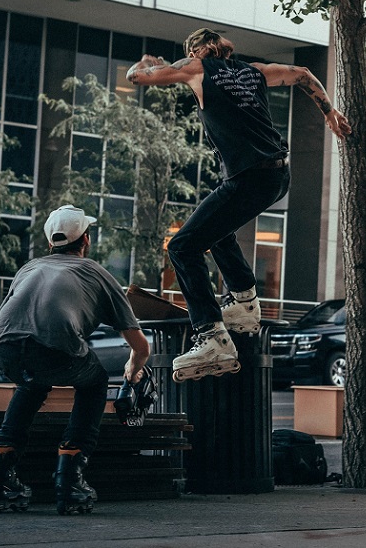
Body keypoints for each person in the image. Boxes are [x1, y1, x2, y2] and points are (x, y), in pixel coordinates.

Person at [126, 28, 350, 382]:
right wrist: (329, 112)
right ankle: (244, 303)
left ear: (198, 50)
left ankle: (211, 336)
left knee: (184, 246)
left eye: (192, 52)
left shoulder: (195, 67)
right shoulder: (255, 70)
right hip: (277, 176)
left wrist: (147, 63)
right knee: (218, 232)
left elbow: (137, 78)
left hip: (247, 178)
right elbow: (303, 75)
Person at [0, 204, 150, 515]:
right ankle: (69, 481)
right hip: (51, 349)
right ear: (85, 240)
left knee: (30, 383)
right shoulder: (97, 273)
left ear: (50, 243)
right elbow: (140, 347)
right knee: (96, 381)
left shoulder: (29, 268)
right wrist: (132, 369)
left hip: (0, 347)